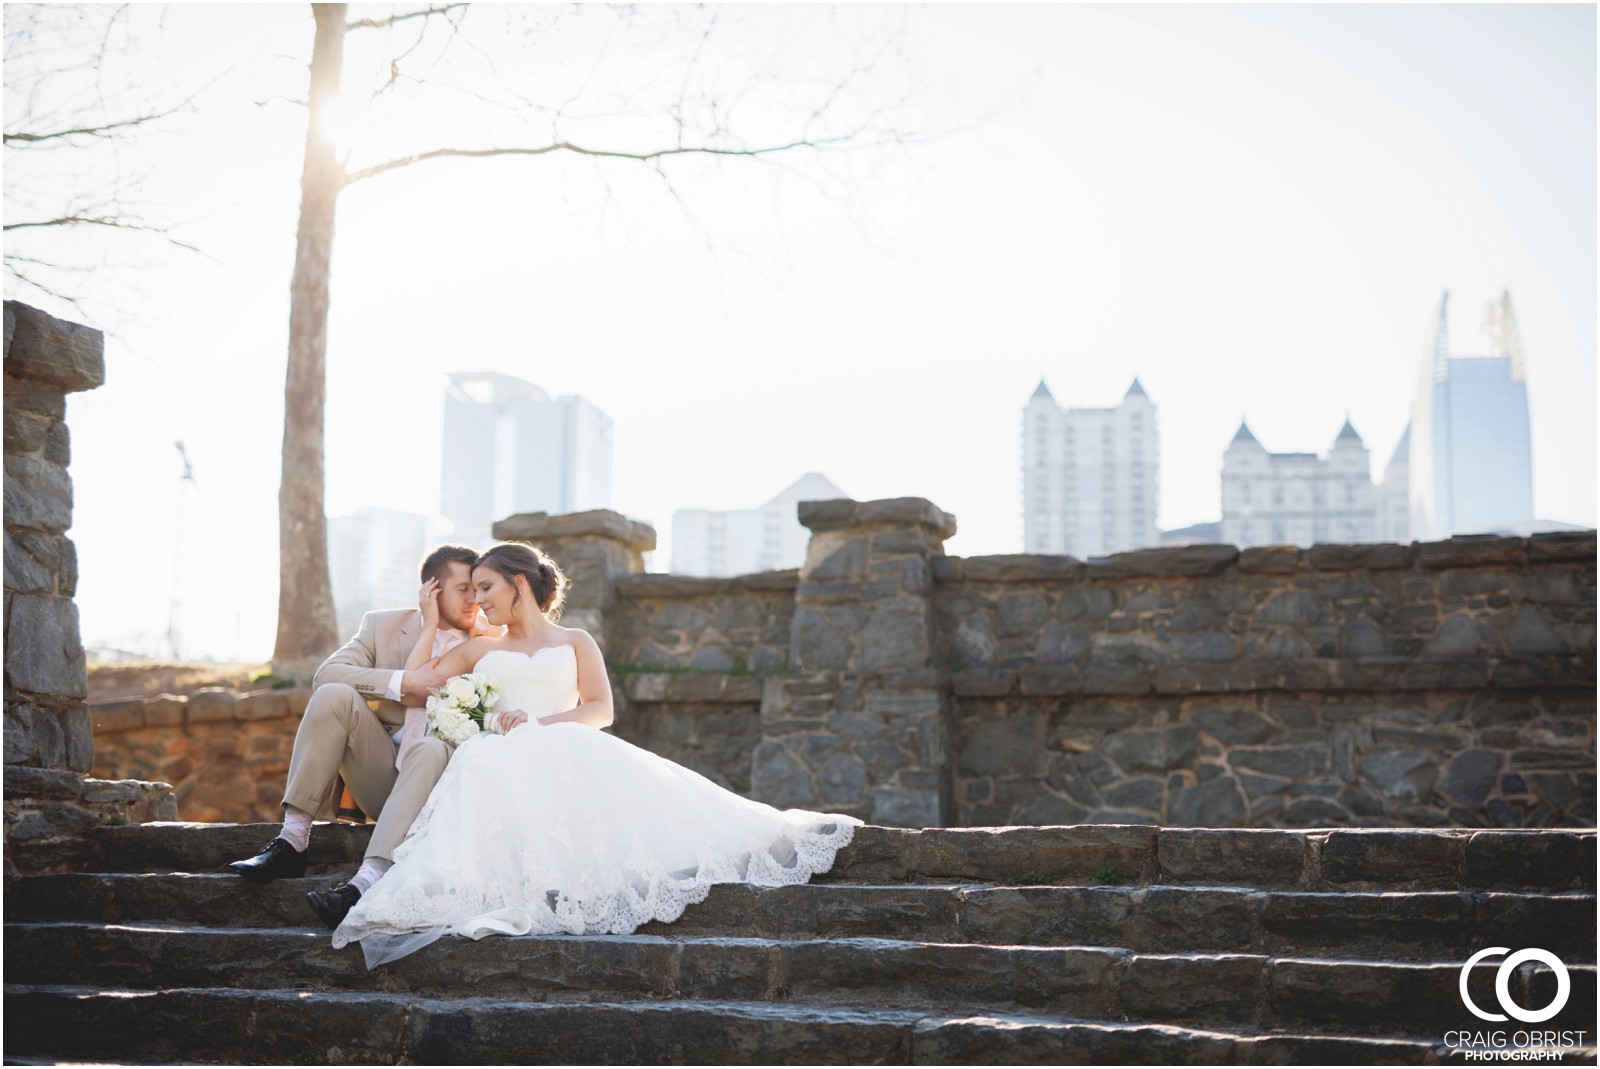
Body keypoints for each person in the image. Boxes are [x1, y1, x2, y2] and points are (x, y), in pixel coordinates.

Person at [325, 542, 860, 968]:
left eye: (486, 587)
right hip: (495, 756)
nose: (477, 600)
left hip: (562, 742)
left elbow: (600, 709)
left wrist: (538, 724)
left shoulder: (576, 639)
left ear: (519, 584)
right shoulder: (480, 648)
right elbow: (421, 685)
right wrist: (431, 623)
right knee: (487, 764)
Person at [226, 545, 499, 912]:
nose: (475, 599)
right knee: (334, 695)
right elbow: (326, 675)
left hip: (442, 790)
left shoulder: (495, 640)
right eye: (463, 588)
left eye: (479, 589)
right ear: (432, 590)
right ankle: (292, 840)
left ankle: (369, 878)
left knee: (432, 748)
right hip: (383, 777)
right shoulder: (383, 625)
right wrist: (402, 682)